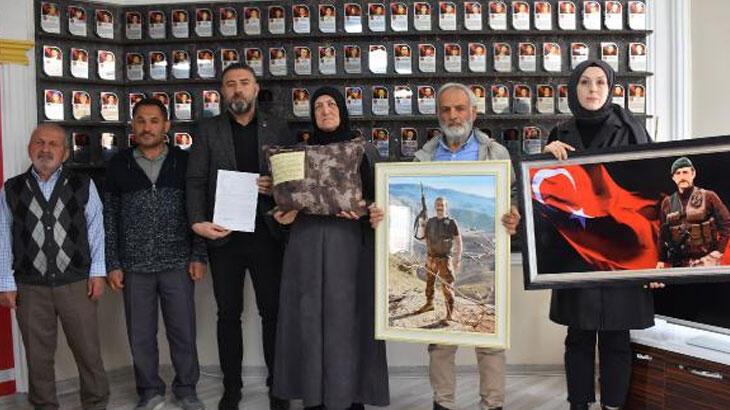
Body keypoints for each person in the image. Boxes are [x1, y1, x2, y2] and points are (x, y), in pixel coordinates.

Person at [371, 83, 521, 410]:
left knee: (491, 342)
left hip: (483, 259)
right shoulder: (423, 157)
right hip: (432, 255)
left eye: (460, 109)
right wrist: (384, 214)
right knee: (440, 343)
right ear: (438, 115)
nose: (453, 116)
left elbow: (511, 196)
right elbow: (406, 214)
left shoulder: (495, 154)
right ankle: (443, 403)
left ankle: (492, 404)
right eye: (446, 110)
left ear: (473, 113)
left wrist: (513, 213)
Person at [542, 59, 662, 410]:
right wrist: (544, 158)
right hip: (576, 250)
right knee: (577, 337)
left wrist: (658, 257)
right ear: (573, 89)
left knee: (617, 338)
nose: (592, 89)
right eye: (584, 82)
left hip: (623, 248)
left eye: (600, 82)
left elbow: (654, 193)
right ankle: (578, 405)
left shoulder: (633, 131)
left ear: (610, 89)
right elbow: (544, 194)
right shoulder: (559, 134)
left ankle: (612, 406)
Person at [271, 86, 390, 410]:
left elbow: (382, 200)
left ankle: (351, 397)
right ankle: (314, 396)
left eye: (331, 104)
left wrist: (368, 212)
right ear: (312, 114)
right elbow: (285, 203)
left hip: (349, 246)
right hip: (305, 246)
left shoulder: (364, 150)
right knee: (308, 319)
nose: (325, 110)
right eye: (318, 106)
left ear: (342, 109)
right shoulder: (296, 155)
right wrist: (283, 214)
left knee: (348, 321)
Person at [186, 63, 294, 410]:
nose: (237, 89)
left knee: (273, 313)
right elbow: (195, 181)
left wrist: (276, 187)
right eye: (230, 84)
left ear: (256, 89)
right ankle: (231, 389)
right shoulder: (208, 130)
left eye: (244, 83)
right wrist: (197, 222)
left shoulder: (277, 127)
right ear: (222, 91)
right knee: (228, 315)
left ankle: (278, 388)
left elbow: (295, 179)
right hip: (225, 237)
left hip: (267, 235)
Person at [104, 98, 207, 410]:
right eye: (140, 121)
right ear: (132, 125)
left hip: (178, 262)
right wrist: (113, 263)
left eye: (153, 121)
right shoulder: (118, 164)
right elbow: (110, 217)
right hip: (134, 265)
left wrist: (198, 254)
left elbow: (198, 211)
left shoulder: (184, 162)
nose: (147, 127)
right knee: (141, 335)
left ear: (167, 126)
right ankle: (149, 390)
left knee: (183, 331)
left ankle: (186, 388)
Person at [0, 123, 109, 409]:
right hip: (30, 287)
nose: (45, 149)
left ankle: (96, 403)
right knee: (38, 357)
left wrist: (98, 271)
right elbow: (3, 236)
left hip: (77, 283)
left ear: (65, 152)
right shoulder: (11, 188)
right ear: (29, 148)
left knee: (88, 351)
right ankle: (44, 405)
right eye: (39, 142)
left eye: (53, 144)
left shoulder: (82, 184)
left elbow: (96, 228)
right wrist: (6, 282)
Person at [656, 157, 730, 268]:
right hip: (679, 263)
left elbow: (727, 224)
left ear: (693, 173)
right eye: (678, 173)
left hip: (706, 262)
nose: (682, 177)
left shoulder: (709, 197)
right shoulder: (667, 203)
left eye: (685, 172)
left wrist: (717, 252)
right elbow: (663, 234)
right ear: (673, 178)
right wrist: (661, 260)